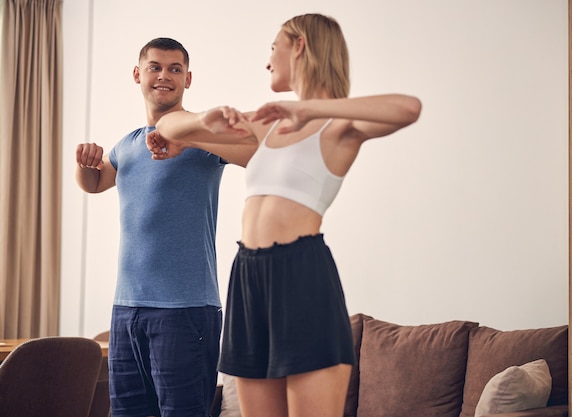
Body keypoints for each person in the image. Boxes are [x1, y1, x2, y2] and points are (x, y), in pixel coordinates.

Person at [146, 14, 421, 417]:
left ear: (300, 46)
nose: (268, 60)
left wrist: (308, 108)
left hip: (301, 273)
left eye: (274, 47)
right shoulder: (268, 125)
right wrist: (201, 125)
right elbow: (167, 123)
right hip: (247, 276)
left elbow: (408, 108)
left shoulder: (338, 123)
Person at [75, 37, 254, 417]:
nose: (165, 75)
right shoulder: (128, 144)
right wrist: (84, 164)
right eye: (155, 66)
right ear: (138, 75)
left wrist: (189, 138)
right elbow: (95, 183)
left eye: (175, 69)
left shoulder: (202, 139)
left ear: (188, 79)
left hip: (185, 309)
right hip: (126, 310)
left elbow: (255, 154)